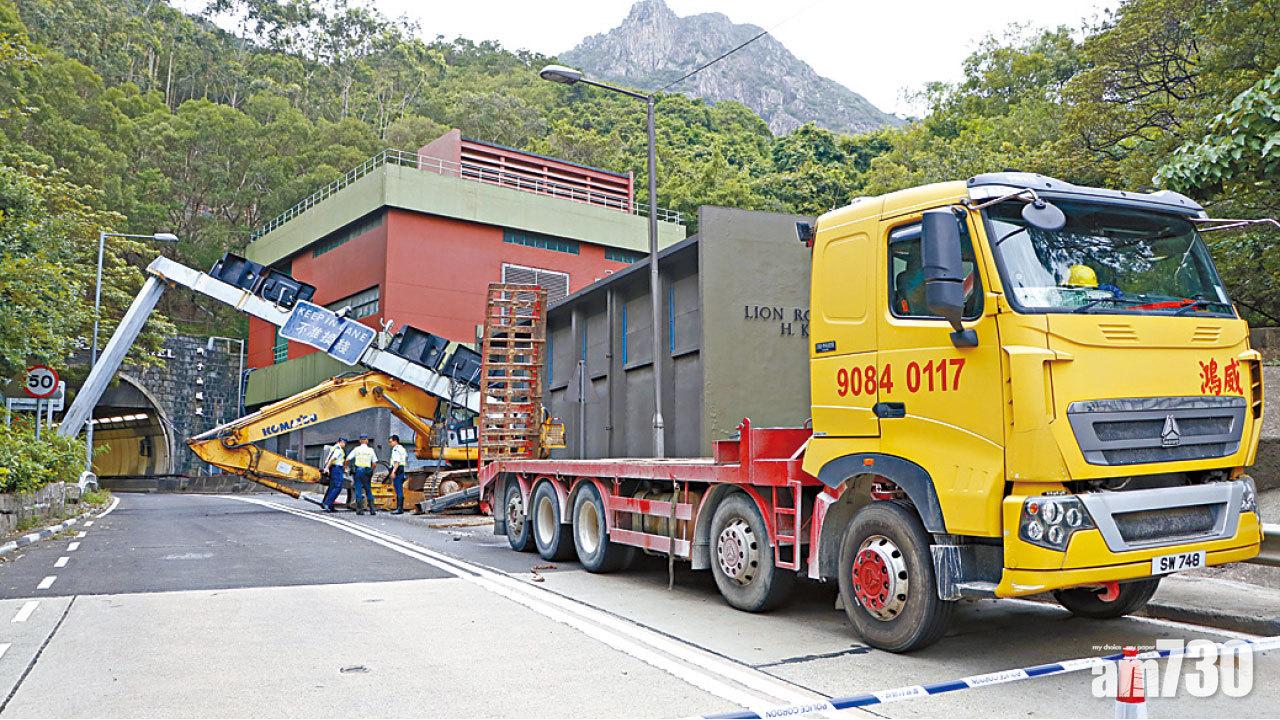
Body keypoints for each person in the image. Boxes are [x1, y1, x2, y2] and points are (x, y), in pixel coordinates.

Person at [346, 434, 379, 515]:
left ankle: (359, 510)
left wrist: (346, 467)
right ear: (367, 441)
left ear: (360, 441)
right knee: (368, 489)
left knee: (358, 489)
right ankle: (372, 509)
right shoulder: (371, 450)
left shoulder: (356, 449)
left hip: (358, 471)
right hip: (367, 470)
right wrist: (371, 470)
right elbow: (374, 463)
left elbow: (347, 459)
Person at [319, 438, 347, 513]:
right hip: (336, 469)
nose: (345, 445)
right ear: (341, 442)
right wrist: (327, 468)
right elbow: (332, 459)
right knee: (338, 487)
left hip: (334, 468)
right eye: (344, 443)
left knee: (332, 486)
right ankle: (327, 504)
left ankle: (327, 503)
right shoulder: (338, 449)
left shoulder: (334, 447)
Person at [388, 434, 409, 515]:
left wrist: (393, 472)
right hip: (401, 469)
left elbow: (396, 462)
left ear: (395, 441)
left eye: (391, 442)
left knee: (398, 489)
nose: (390, 444)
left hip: (397, 470)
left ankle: (399, 508)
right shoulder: (402, 448)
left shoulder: (396, 449)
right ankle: (399, 508)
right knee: (399, 488)